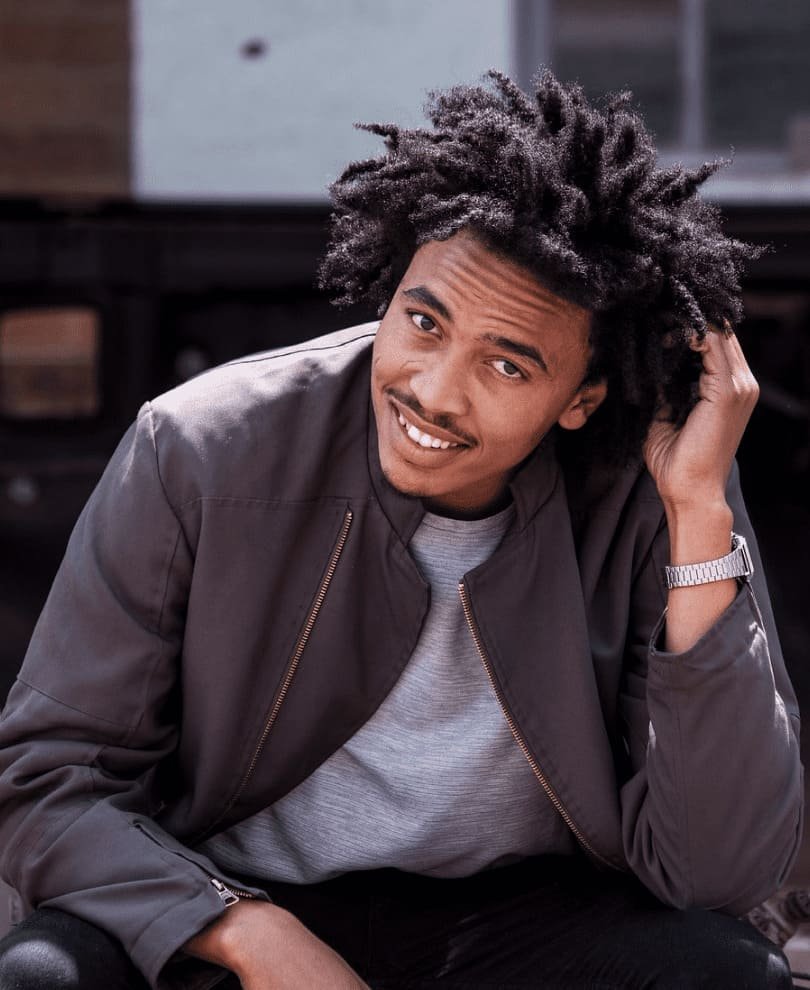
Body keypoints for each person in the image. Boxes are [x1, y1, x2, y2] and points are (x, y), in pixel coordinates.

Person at [0, 69, 802, 990]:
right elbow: (50, 780)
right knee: (44, 975)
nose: (433, 392)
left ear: (583, 397)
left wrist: (698, 513)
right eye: (423, 322)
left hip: (527, 920)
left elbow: (721, 872)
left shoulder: (652, 483)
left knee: (728, 977)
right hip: (232, 896)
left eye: (507, 366)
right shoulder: (203, 447)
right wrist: (240, 929)